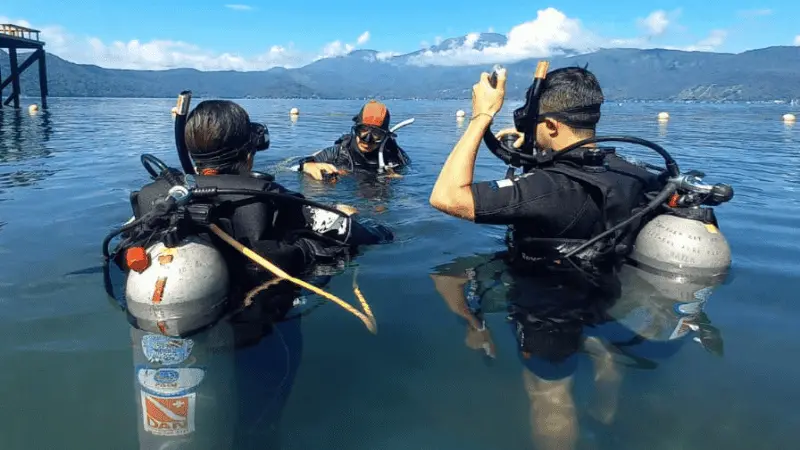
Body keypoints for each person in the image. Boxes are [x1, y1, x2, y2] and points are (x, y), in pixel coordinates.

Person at [127, 99, 394, 306]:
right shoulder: (269, 198)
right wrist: (344, 215)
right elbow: (365, 235)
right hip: (258, 316)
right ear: (250, 150)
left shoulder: (157, 197)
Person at [429, 65, 664, 276]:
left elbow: (446, 197)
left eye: (535, 122)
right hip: (601, 294)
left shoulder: (546, 191)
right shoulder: (630, 171)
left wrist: (481, 116)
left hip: (544, 313)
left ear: (552, 125)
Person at [297, 100, 411, 180]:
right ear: (356, 129)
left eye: (376, 134)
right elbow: (295, 165)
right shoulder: (341, 152)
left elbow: (410, 172)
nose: (367, 140)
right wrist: (308, 166)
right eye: (363, 130)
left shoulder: (395, 156)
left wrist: (396, 178)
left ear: (385, 136)